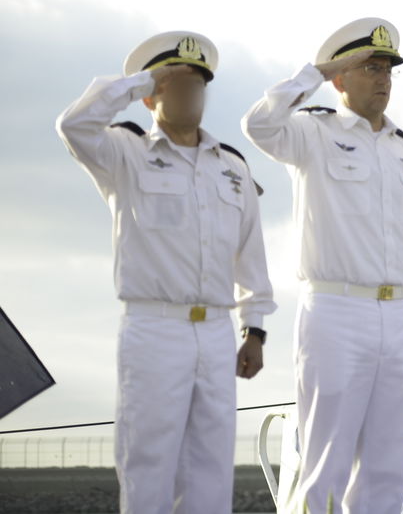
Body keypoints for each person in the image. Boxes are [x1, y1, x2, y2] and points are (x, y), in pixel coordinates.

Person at [56, 31, 275, 514]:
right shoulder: (125, 153)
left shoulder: (232, 167)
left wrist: (254, 328)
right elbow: (73, 125)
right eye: (175, 82)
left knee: (211, 468)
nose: (188, 93)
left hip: (217, 331)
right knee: (148, 466)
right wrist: (137, 82)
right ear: (152, 93)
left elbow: (249, 255)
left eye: (196, 83)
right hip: (154, 328)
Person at [242, 17, 403, 513]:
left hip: (395, 317)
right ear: (339, 78)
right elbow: (258, 125)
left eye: (388, 69)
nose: (382, 78)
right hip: (335, 310)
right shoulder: (312, 132)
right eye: (369, 67)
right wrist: (314, 71)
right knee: (326, 459)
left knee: (388, 465)